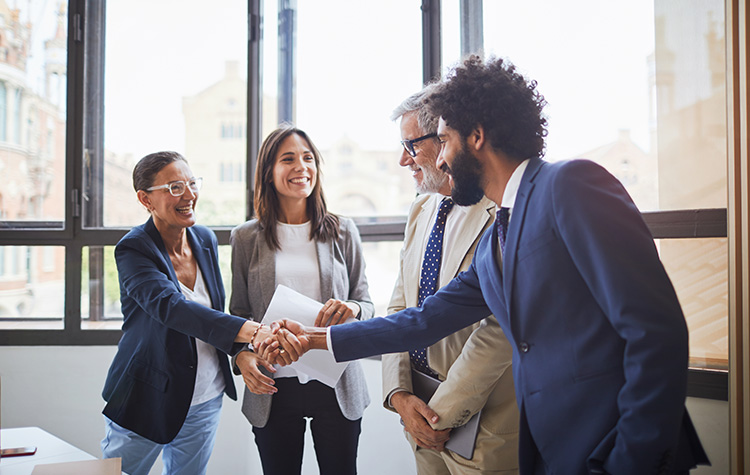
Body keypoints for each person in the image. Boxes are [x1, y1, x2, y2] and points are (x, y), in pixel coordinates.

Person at [266, 56, 710, 474]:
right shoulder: (501, 232)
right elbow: (422, 320)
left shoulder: (571, 185)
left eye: (444, 140)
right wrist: (313, 339)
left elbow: (656, 333)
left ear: (476, 136)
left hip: (614, 448)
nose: (437, 158)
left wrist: (631, 461)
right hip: (554, 451)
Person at [101, 151, 299, 475]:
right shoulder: (134, 249)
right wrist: (252, 331)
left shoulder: (204, 238)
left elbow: (213, 313)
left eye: (192, 183)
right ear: (145, 198)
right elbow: (172, 308)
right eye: (175, 187)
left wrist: (239, 352)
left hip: (206, 396)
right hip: (146, 397)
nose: (190, 195)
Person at [383, 86, 519, 474]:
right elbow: (400, 307)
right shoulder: (421, 207)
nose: (402, 160)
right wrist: (399, 394)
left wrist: (438, 415)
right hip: (417, 414)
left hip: (484, 424)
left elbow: (499, 331)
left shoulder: (500, 213)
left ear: (446, 139)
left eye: (411, 146)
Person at [230, 124, 373, 475]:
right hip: (273, 383)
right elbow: (238, 315)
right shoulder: (246, 237)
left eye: (308, 158)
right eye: (288, 159)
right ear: (269, 172)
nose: (301, 167)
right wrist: (241, 356)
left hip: (336, 382)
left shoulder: (342, 230)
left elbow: (366, 304)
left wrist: (352, 308)